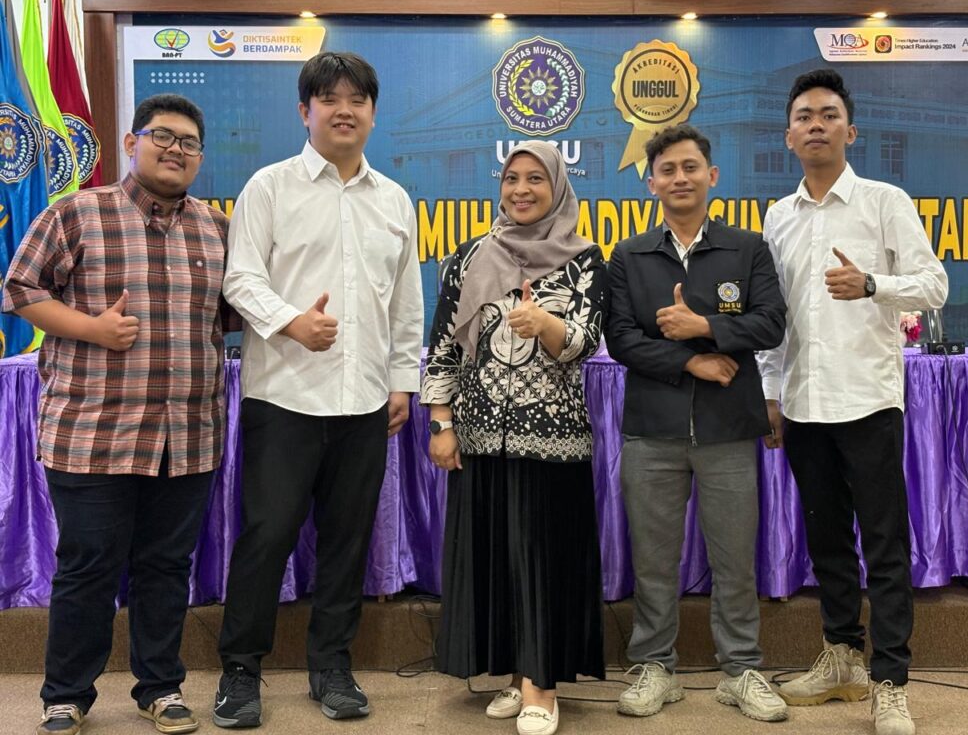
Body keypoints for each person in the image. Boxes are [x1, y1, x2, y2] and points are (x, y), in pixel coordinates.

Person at [2, 94, 228, 735]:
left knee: (166, 568)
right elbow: (19, 290)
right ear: (133, 143)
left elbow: (239, 312)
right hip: (93, 434)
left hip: (187, 436)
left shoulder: (218, 229)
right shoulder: (77, 212)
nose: (176, 150)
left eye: (189, 142)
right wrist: (91, 328)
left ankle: (161, 687)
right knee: (88, 566)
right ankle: (66, 695)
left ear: (200, 157)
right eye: (163, 136)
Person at [212, 51, 423, 727]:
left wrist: (401, 382)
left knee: (346, 541)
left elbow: (406, 304)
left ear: (373, 113)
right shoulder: (269, 187)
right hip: (284, 399)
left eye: (357, 99)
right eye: (329, 98)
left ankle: (332, 666)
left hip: (365, 402)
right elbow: (240, 279)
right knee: (267, 535)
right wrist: (290, 322)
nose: (344, 110)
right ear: (305, 111)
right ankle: (240, 671)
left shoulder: (393, 200)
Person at [758, 69, 948, 735]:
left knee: (885, 545)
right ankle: (842, 658)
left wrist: (872, 285)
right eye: (804, 116)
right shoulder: (778, 217)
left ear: (851, 130)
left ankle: (890, 681)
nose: (816, 124)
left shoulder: (883, 201)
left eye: (829, 114)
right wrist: (771, 394)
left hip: (868, 399)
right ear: (789, 136)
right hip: (803, 403)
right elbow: (774, 318)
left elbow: (934, 285)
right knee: (827, 541)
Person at [421, 140, 608, 735]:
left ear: (557, 188)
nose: (521, 190)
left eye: (535, 179)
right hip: (479, 437)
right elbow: (444, 346)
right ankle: (514, 672)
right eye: (511, 178)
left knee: (543, 561)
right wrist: (442, 424)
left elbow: (586, 342)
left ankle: (541, 687)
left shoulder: (583, 259)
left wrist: (546, 323)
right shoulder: (469, 256)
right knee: (498, 560)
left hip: (552, 439)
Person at [606, 125, 788, 723]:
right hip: (651, 430)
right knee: (654, 559)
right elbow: (621, 339)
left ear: (712, 176)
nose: (679, 178)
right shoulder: (629, 255)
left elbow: (771, 323)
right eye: (667, 170)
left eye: (690, 167)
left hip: (728, 430)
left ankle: (741, 670)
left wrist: (704, 326)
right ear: (651, 182)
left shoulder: (748, 248)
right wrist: (690, 361)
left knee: (734, 558)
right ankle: (654, 666)